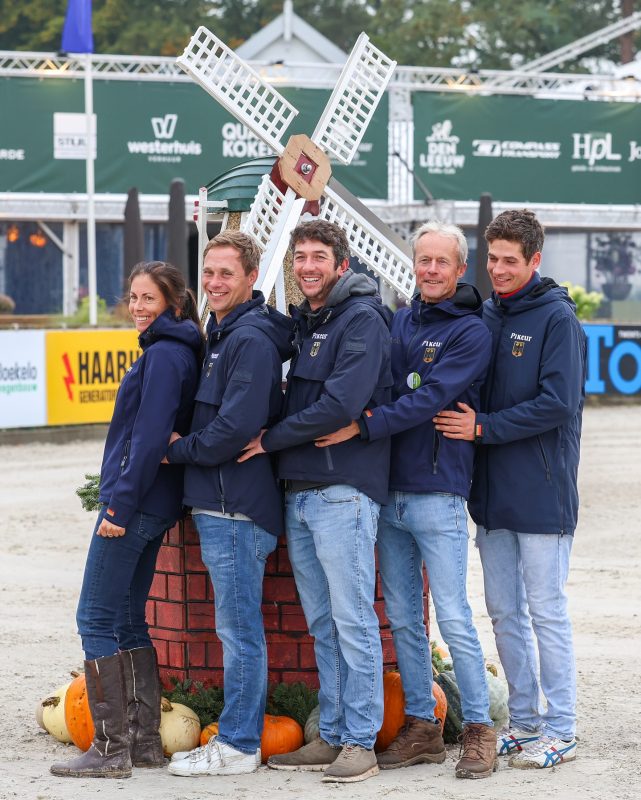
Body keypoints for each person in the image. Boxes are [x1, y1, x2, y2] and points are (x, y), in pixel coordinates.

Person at [316, 220, 497, 779]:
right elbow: (394, 388)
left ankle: (478, 730)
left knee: (454, 616)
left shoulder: (471, 332)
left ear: (460, 269)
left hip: (438, 493)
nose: (431, 270)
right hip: (387, 494)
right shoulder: (395, 322)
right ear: (412, 264)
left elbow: (431, 397)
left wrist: (364, 427)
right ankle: (422, 725)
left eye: (442, 262)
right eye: (423, 260)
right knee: (401, 617)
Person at [239, 219, 392, 783]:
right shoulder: (308, 322)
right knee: (323, 623)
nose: (306, 266)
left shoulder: (362, 319)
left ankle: (361, 743)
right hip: (302, 491)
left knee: (353, 621)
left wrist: (270, 439)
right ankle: (331, 733)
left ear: (341, 264)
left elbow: (340, 404)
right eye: (299, 256)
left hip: (343, 493)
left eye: (317, 257)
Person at [434, 209, 587, 770]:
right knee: (503, 612)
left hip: (542, 490)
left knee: (545, 610)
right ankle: (523, 721)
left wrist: (483, 428)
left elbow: (558, 403)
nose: (498, 270)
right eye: (492, 259)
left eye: (510, 262)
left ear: (535, 261)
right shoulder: (488, 313)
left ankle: (562, 727)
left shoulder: (557, 319)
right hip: (491, 491)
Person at [51, 262, 203, 779]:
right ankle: (141, 744)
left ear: (173, 304)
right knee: (127, 619)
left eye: (149, 299)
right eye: (133, 297)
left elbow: (149, 438)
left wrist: (116, 506)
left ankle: (110, 749)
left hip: (134, 504)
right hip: (155, 503)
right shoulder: (175, 350)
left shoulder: (164, 356)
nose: (138, 307)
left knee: (94, 617)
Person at [163, 231, 294, 778]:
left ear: (250, 279)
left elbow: (234, 427)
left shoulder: (251, 340)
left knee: (239, 632)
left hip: (235, 508)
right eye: (209, 274)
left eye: (226, 274)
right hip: (221, 505)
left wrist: (177, 451)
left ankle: (239, 744)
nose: (214, 284)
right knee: (234, 628)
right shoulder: (222, 334)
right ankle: (237, 739)